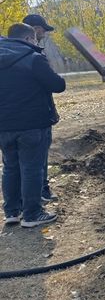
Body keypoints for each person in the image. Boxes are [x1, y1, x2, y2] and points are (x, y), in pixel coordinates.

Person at [0, 23, 65, 228]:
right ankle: (32, 214)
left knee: (10, 167)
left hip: (4, 125)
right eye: (35, 40)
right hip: (32, 125)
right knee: (31, 169)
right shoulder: (33, 59)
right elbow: (58, 85)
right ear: (29, 39)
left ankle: (12, 212)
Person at [23, 14, 57, 203]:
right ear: (35, 29)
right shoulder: (34, 56)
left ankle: (15, 207)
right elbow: (54, 84)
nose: (44, 34)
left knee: (12, 164)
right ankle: (39, 195)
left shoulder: (5, 55)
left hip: (8, 121)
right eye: (43, 30)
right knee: (37, 159)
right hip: (35, 118)